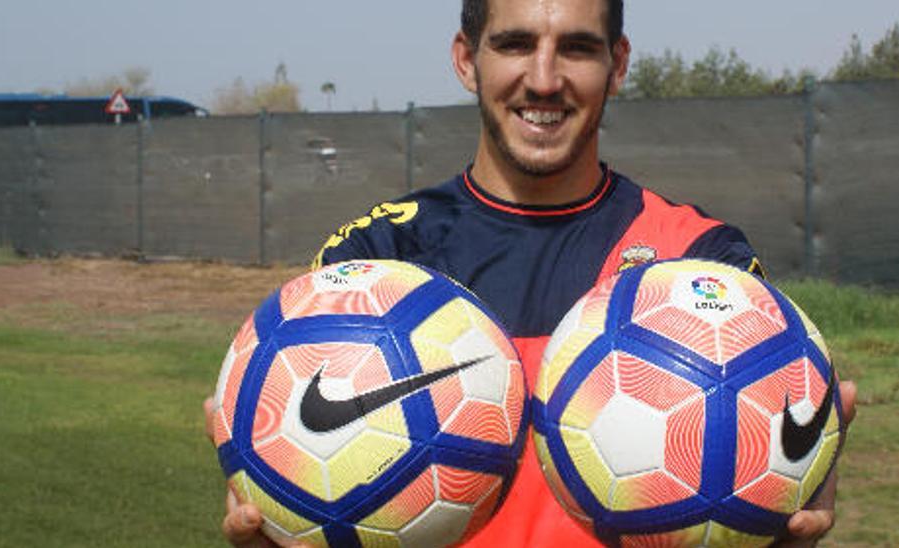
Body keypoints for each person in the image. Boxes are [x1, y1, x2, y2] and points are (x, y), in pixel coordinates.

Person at [209, 0, 857, 545]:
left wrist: (770, 506)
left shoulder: (700, 258)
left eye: (576, 48)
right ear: (467, 59)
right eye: (516, 44)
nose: (544, 79)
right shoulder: (380, 256)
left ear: (617, 63)